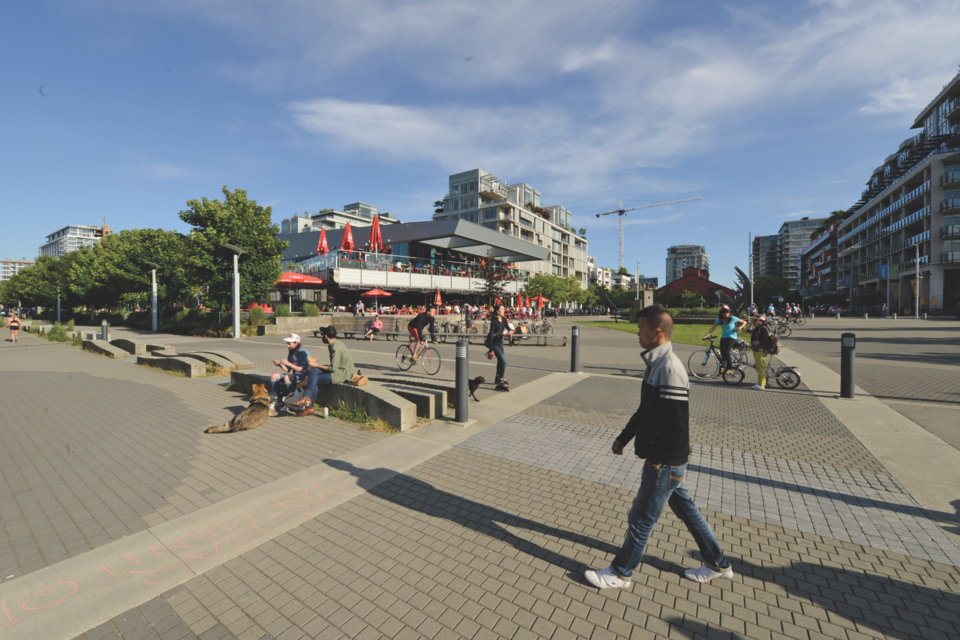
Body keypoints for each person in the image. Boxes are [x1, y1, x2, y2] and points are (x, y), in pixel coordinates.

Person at [584, 305, 733, 590]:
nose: (637, 334)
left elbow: (676, 424)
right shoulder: (656, 363)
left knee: (640, 518)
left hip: (665, 461)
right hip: (669, 460)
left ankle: (620, 572)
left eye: (641, 329)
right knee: (688, 511)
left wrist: (659, 459)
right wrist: (624, 437)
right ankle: (718, 564)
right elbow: (647, 410)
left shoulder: (670, 368)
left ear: (657, 332)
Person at [289, 326, 356, 417]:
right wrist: (317, 366)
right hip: (340, 371)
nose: (322, 336)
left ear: (326, 336)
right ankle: (307, 401)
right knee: (315, 371)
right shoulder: (334, 344)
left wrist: (317, 365)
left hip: (342, 374)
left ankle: (308, 404)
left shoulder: (335, 348)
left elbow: (333, 368)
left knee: (314, 378)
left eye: (322, 334)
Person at [270, 334, 312, 414]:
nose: (287, 346)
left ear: (296, 343)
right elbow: (288, 370)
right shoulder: (291, 353)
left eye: (289, 344)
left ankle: (290, 403)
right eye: (287, 344)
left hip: (304, 376)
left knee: (287, 377)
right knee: (274, 376)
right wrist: (280, 365)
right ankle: (278, 400)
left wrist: (289, 363)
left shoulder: (304, 353)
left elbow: (303, 370)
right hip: (294, 375)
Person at [701, 305, 747, 374]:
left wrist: (739, 328)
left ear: (729, 312)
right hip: (724, 337)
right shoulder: (719, 320)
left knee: (726, 352)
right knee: (722, 353)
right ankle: (723, 368)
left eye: (727, 312)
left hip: (732, 337)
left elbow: (744, 322)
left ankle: (729, 368)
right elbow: (713, 327)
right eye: (724, 312)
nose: (726, 314)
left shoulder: (733, 318)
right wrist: (707, 335)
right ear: (721, 313)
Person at [485, 303, 514, 391]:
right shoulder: (494, 321)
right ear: (497, 311)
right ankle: (501, 378)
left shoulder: (504, 319)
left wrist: (510, 332)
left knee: (500, 362)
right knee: (504, 362)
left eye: (504, 309)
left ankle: (497, 378)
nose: (504, 310)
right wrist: (490, 350)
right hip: (494, 344)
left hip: (500, 344)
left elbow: (509, 329)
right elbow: (491, 336)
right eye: (502, 309)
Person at [748, 315, 771, 391]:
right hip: (757, 350)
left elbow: (762, 340)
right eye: (753, 320)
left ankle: (761, 385)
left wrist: (752, 344)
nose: (754, 321)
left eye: (755, 320)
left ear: (761, 321)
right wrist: (751, 323)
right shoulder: (758, 328)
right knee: (760, 367)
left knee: (760, 368)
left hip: (760, 350)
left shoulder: (763, 329)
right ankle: (761, 382)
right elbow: (748, 331)